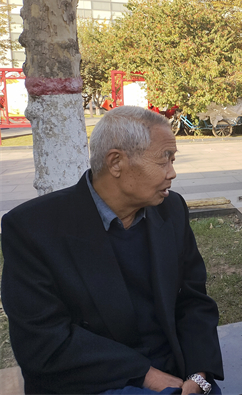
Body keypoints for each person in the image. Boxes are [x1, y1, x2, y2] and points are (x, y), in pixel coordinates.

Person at [1, 106, 224, 394]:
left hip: (179, 376)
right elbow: (43, 341)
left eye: (173, 159)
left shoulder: (171, 210)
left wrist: (199, 374)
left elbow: (194, 300)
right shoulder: (34, 228)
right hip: (94, 381)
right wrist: (146, 375)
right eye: (163, 160)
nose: (172, 173)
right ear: (116, 162)